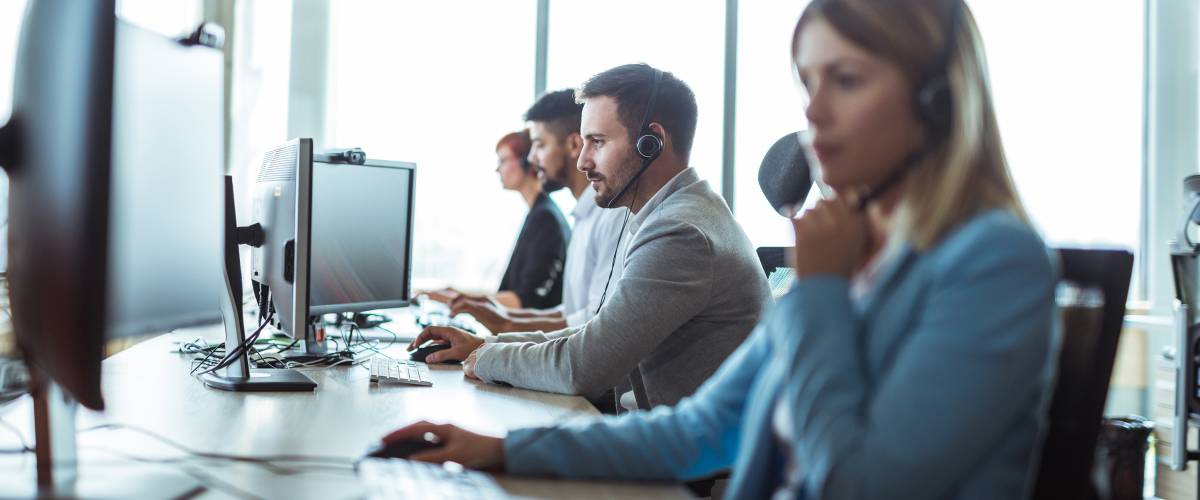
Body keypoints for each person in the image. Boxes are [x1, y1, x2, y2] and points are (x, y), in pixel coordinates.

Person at [383, 1, 1059, 498]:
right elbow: (696, 430)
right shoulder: (852, 258)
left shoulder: (993, 263)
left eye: (845, 80)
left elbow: (858, 485)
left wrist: (820, 293)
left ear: (937, 102)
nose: (814, 114)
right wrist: (499, 449)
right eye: (807, 84)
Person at [410, 64, 772, 411]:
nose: (582, 161)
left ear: (652, 143)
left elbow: (582, 367)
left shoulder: (679, 233)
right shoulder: (682, 213)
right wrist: (487, 344)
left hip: (683, 466)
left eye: (597, 142)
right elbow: (595, 336)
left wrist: (486, 357)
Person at [449, 89, 631, 333]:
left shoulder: (611, 217)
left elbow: (594, 325)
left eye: (539, 145)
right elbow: (571, 314)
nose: (532, 159)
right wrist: (501, 320)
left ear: (574, 144)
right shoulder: (582, 217)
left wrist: (496, 338)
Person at [428, 130, 570, 310]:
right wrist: (458, 294)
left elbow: (524, 300)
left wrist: (459, 299)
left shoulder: (545, 219)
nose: (497, 169)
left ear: (527, 161)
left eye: (503, 160)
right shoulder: (537, 213)